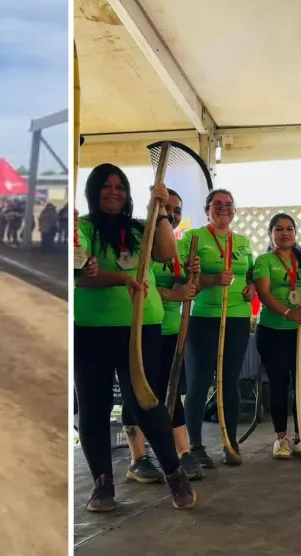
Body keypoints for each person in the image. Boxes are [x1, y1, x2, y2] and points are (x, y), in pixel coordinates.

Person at [74, 163, 196, 512]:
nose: (114, 192)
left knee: (145, 401)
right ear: (94, 191)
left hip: (142, 327)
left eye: (120, 187)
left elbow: (166, 253)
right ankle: (102, 485)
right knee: (93, 407)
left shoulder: (141, 230)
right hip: (91, 330)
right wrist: (117, 277)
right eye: (106, 186)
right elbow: (81, 276)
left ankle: (174, 474)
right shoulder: (81, 229)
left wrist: (158, 209)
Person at [122, 188, 202, 482]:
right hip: (145, 329)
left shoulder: (178, 246)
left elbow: (191, 291)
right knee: (140, 392)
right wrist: (175, 293)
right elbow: (140, 284)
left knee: (171, 392)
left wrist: (194, 278)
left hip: (172, 332)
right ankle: (138, 458)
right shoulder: (143, 242)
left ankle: (182, 452)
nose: (172, 215)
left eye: (176, 210)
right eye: (166, 209)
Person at [182, 188, 255, 467]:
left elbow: (250, 275)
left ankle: (230, 440)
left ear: (234, 211)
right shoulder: (193, 238)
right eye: (216, 204)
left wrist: (251, 287)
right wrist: (210, 278)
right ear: (207, 210)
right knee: (200, 381)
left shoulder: (243, 241)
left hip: (236, 316)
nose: (223, 208)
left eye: (228, 204)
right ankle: (196, 445)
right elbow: (185, 273)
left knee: (229, 380)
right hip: (203, 317)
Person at [253, 213, 301, 459]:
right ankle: (281, 439)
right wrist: (287, 312)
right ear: (271, 233)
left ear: (295, 234)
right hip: (273, 332)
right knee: (279, 384)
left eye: (289, 229)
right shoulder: (264, 260)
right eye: (279, 229)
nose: (285, 233)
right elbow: (263, 292)